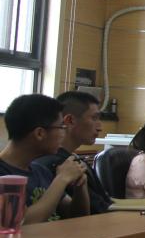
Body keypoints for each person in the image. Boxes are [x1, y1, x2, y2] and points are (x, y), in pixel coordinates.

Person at [0, 93, 89, 224]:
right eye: (61, 127)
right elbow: (21, 224)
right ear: (40, 133)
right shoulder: (3, 175)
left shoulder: (40, 171)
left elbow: (76, 217)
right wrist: (62, 179)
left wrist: (80, 187)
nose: (63, 134)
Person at [35, 90, 112, 214]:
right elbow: (97, 210)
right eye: (94, 118)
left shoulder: (73, 160)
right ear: (70, 120)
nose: (100, 127)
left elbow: (104, 204)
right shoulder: (59, 165)